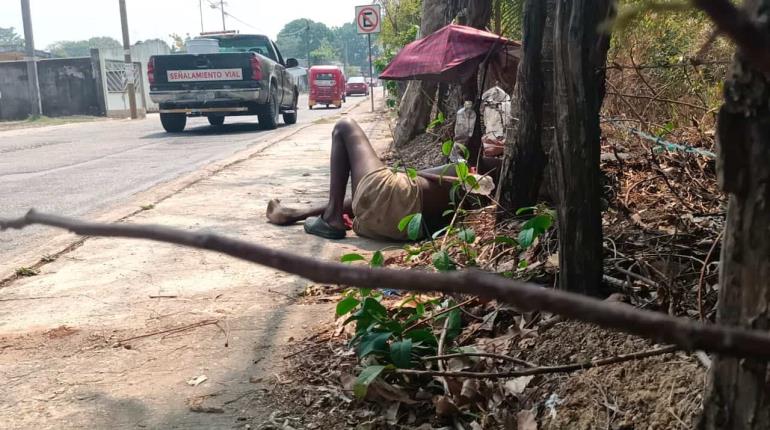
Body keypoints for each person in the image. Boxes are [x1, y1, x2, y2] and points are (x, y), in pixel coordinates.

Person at [266, 118, 500, 241]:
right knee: (381, 189)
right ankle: (299, 213)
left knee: (344, 126)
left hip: (394, 206)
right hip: (402, 227)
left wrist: (492, 152)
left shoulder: (500, 166)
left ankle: (331, 218)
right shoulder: (504, 183)